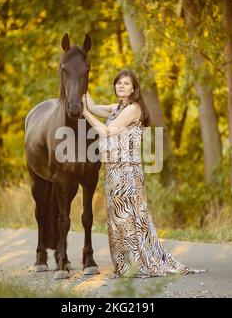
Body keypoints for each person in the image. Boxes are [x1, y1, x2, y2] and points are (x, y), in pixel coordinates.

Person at [82, 69, 206, 278]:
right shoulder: (117, 108)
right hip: (112, 171)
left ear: (134, 88)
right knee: (116, 220)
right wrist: (81, 85)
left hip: (127, 173)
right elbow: (93, 106)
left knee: (130, 219)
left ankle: (137, 264)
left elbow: (107, 130)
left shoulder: (133, 109)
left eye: (126, 83)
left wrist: (85, 114)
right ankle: (124, 266)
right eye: (118, 82)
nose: (121, 86)